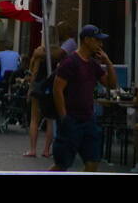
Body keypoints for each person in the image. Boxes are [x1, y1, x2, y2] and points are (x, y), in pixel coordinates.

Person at [50, 25, 118, 172]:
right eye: (97, 40)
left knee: (92, 162)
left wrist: (108, 62)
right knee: (62, 165)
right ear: (87, 40)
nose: (101, 44)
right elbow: (57, 89)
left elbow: (111, 84)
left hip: (88, 119)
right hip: (71, 119)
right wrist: (64, 117)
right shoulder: (70, 62)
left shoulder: (93, 64)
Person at [24, 42, 63, 159]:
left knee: (34, 119)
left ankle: (32, 149)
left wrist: (30, 89)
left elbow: (34, 74)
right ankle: (46, 149)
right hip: (50, 88)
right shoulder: (56, 56)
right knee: (50, 120)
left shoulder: (39, 57)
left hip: (38, 87)